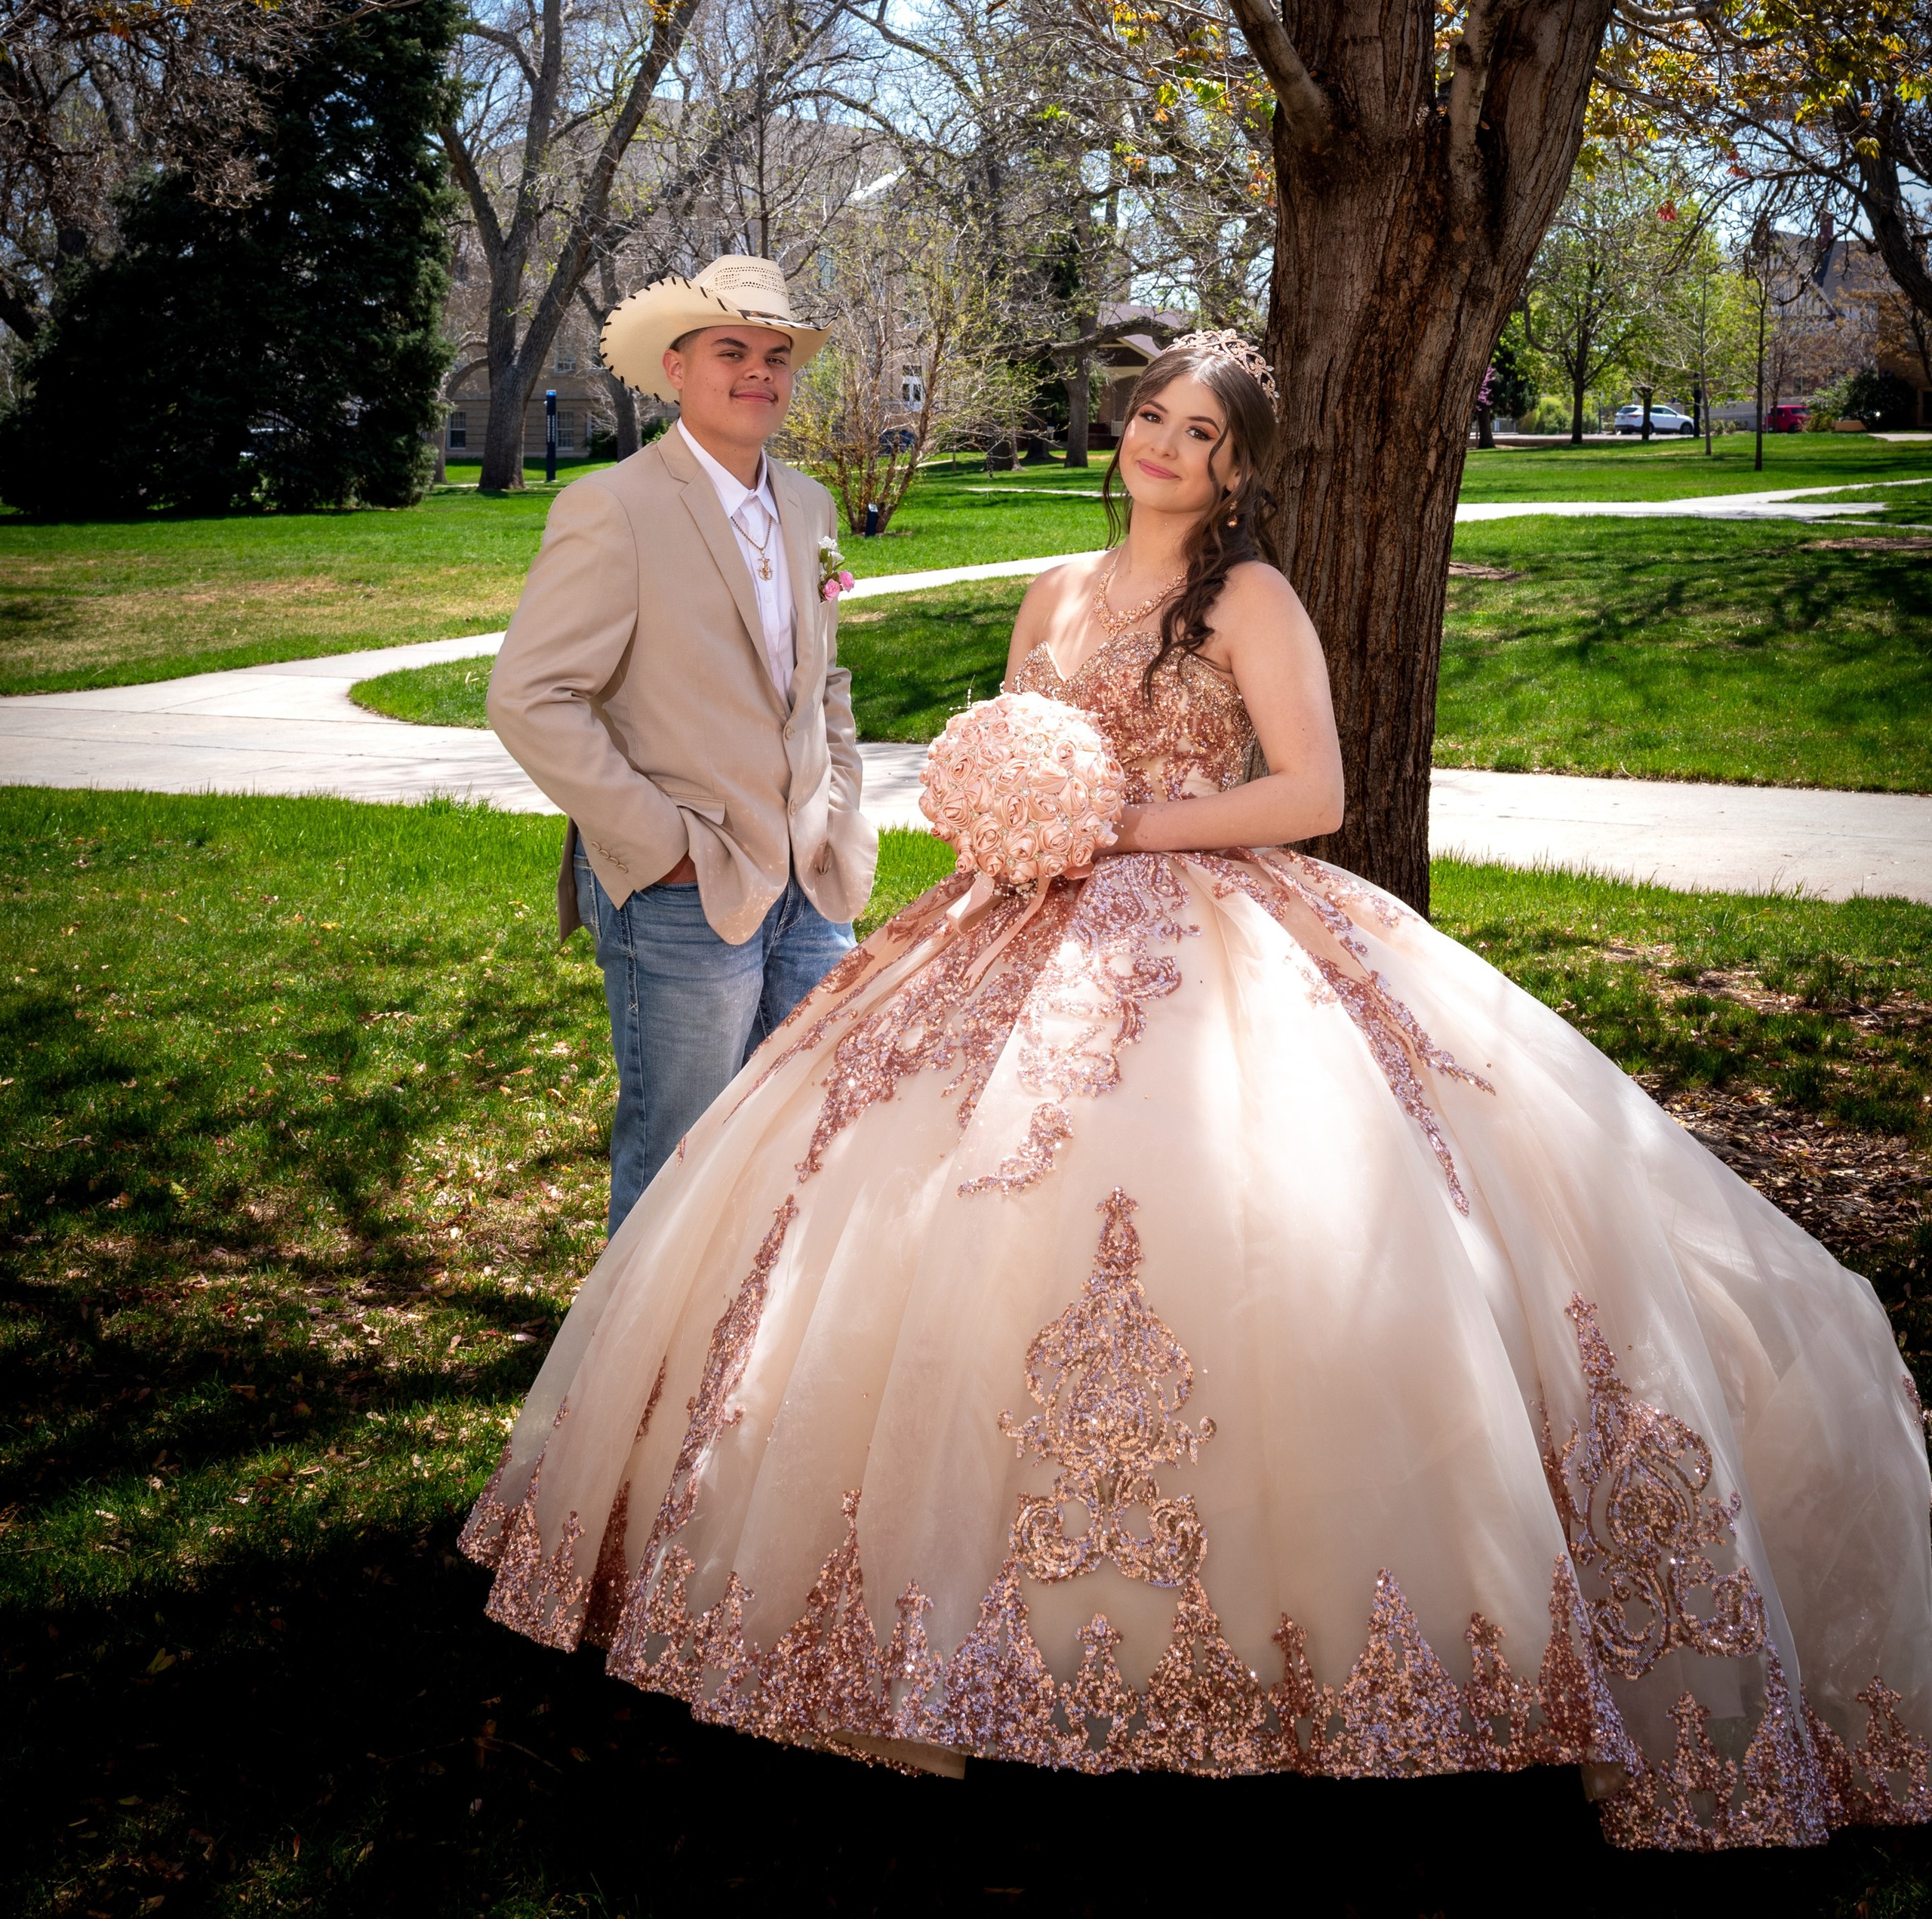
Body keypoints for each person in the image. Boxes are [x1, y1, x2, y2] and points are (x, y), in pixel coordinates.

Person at [464, 332, 1932, 1849]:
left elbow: (1313, 793)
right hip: (1007, 929)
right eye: (1150, 418)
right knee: (909, 1208)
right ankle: (887, 1609)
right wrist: (1012, 824)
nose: (1163, 446)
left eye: (1199, 432)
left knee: (1242, 1229)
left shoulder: (1249, 599)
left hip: (1204, 928)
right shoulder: (1050, 593)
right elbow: (1009, 752)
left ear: (1235, 468)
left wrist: (1123, 827)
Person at [487, 254, 876, 1233]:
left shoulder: (812, 506)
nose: (759, 371)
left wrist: (837, 811)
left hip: (810, 886)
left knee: (813, 1135)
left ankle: (756, 1361)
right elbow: (531, 695)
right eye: (732, 349)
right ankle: (644, 1383)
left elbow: (823, 681)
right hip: (683, 897)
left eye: (776, 355)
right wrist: (659, 846)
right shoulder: (612, 506)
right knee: (679, 1164)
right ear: (676, 367)